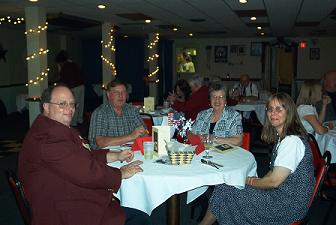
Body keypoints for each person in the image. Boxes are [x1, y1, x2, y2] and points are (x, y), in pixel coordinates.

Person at [18, 85, 151, 225]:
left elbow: (79, 156)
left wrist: (114, 155)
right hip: (62, 210)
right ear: (46, 106)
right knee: (140, 219)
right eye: (62, 104)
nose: (69, 109)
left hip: (63, 191)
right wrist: (120, 173)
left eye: (72, 104)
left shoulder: (52, 128)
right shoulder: (48, 137)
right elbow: (86, 172)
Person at [198, 92, 315, 225]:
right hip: (284, 197)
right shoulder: (284, 137)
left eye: (278, 109)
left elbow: (274, 181)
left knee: (226, 190)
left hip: (286, 206)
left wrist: (251, 182)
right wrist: (258, 181)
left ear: (289, 112)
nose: (273, 113)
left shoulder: (291, 142)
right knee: (226, 189)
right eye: (270, 109)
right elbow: (274, 172)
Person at [89, 80, 147, 150]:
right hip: (107, 155)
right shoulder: (100, 113)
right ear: (108, 94)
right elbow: (100, 142)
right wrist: (131, 136)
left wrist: (144, 133)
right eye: (116, 92)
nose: (120, 95)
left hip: (131, 152)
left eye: (123, 92)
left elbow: (145, 133)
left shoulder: (132, 110)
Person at [191, 82, 243, 146]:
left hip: (225, 155)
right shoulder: (202, 115)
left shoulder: (234, 116)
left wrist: (213, 139)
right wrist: (196, 139)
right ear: (210, 99)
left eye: (221, 97)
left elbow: (238, 141)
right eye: (214, 97)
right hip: (203, 153)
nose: (217, 100)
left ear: (226, 100)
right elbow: (190, 133)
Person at [55, 50, 85, 126]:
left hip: (74, 87)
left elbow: (61, 79)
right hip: (81, 85)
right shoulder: (73, 64)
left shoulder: (65, 67)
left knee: (73, 105)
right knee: (80, 104)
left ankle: (74, 122)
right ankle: (79, 120)